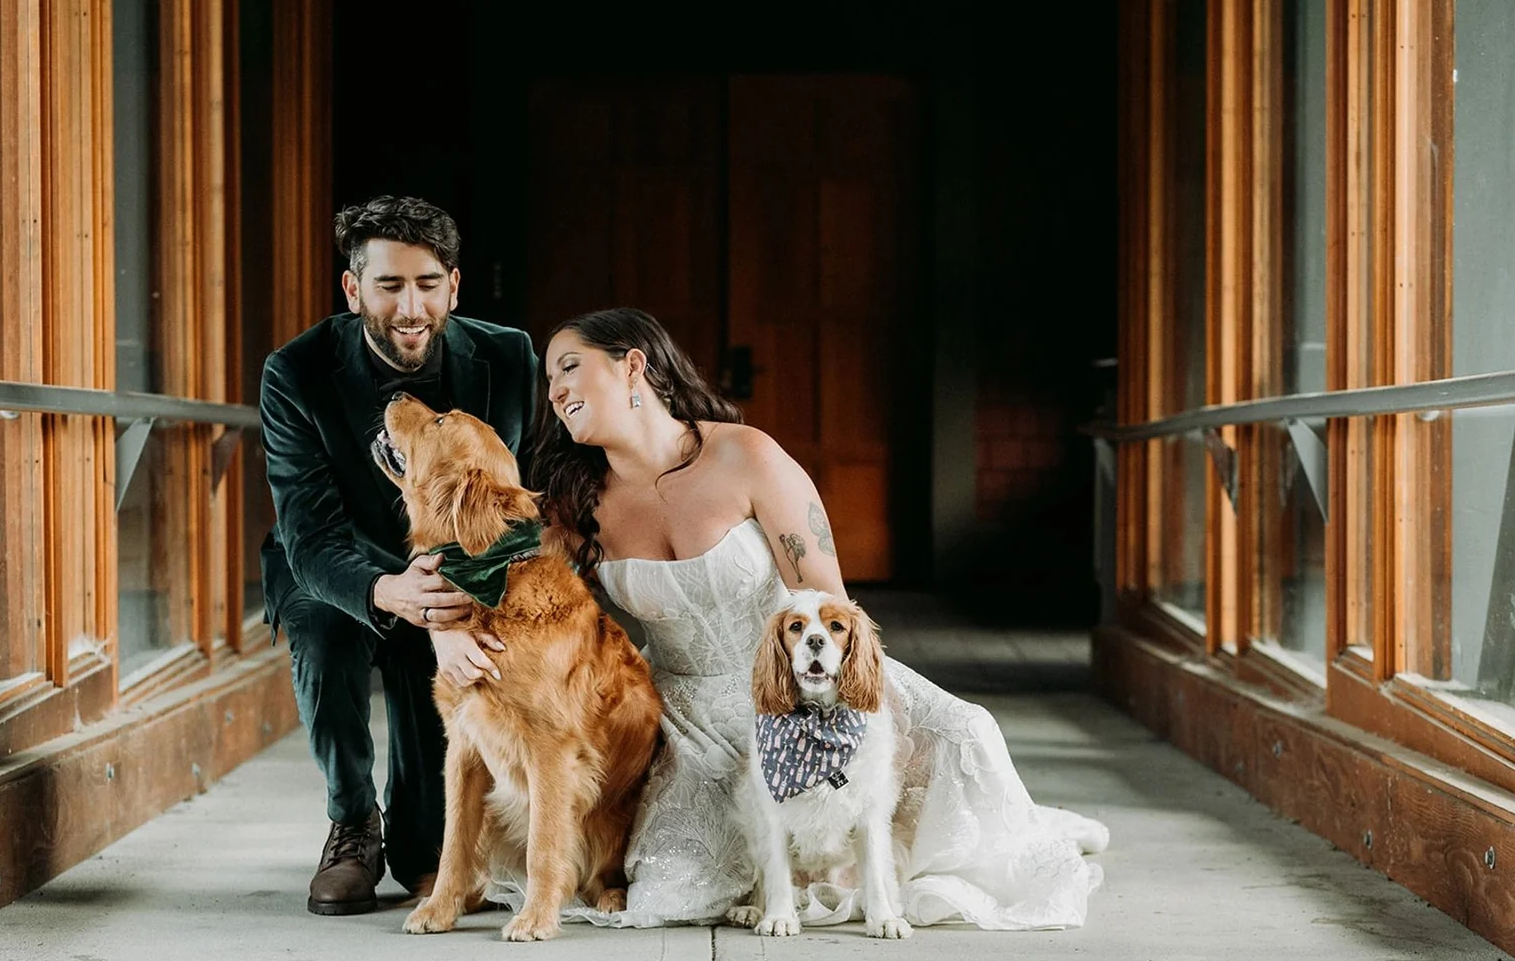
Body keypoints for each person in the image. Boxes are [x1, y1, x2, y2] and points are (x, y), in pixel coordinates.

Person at [440, 307, 1108, 929]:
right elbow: (496, 583)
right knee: (674, 889)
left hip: (797, 678)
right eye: (549, 379)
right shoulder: (571, 502)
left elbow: (829, 601)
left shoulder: (746, 455)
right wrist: (446, 630)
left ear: (633, 366)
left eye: (569, 367)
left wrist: (849, 716)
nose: (554, 390)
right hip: (687, 712)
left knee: (966, 732)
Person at [258, 195, 537, 916]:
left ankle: (413, 830)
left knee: (425, 859)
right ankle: (352, 822)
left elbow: (525, 506)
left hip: (458, 579)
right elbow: (309, 533)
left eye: (426, 284)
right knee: (323, 638)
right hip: (339, 570)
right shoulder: (296, 372)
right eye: (389, 286)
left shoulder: (509, 356)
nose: (410, 307)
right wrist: (393, 592)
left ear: (454, 284)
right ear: (353, 290)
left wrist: (452, 611)